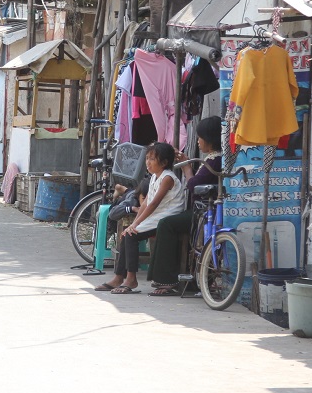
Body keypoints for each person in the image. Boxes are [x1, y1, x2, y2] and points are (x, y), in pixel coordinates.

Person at [147, 116, 225, 296]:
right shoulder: (210, 159)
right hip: (199, 211)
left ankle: (167, 280)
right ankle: (164, 277)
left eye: (200, 137)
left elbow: (194, 186)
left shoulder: (214, 161)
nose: (197, 141)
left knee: (167, 224)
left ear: (209, 139)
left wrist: (187, 168)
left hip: (205, 214)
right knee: (167, 223)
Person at [95, 142, 185, 294]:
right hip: (158, 216)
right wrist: (135, 223)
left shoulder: (167, 178)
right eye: (147, 158)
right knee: (127, 233)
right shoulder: (155, 178)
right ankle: (118, 277)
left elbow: (153, 205)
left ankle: (131, 279)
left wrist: (135, 225)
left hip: (167, 218)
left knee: (130, 235)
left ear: (163, 162)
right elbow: (146, 203)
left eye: (152, 159)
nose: (147, 162)